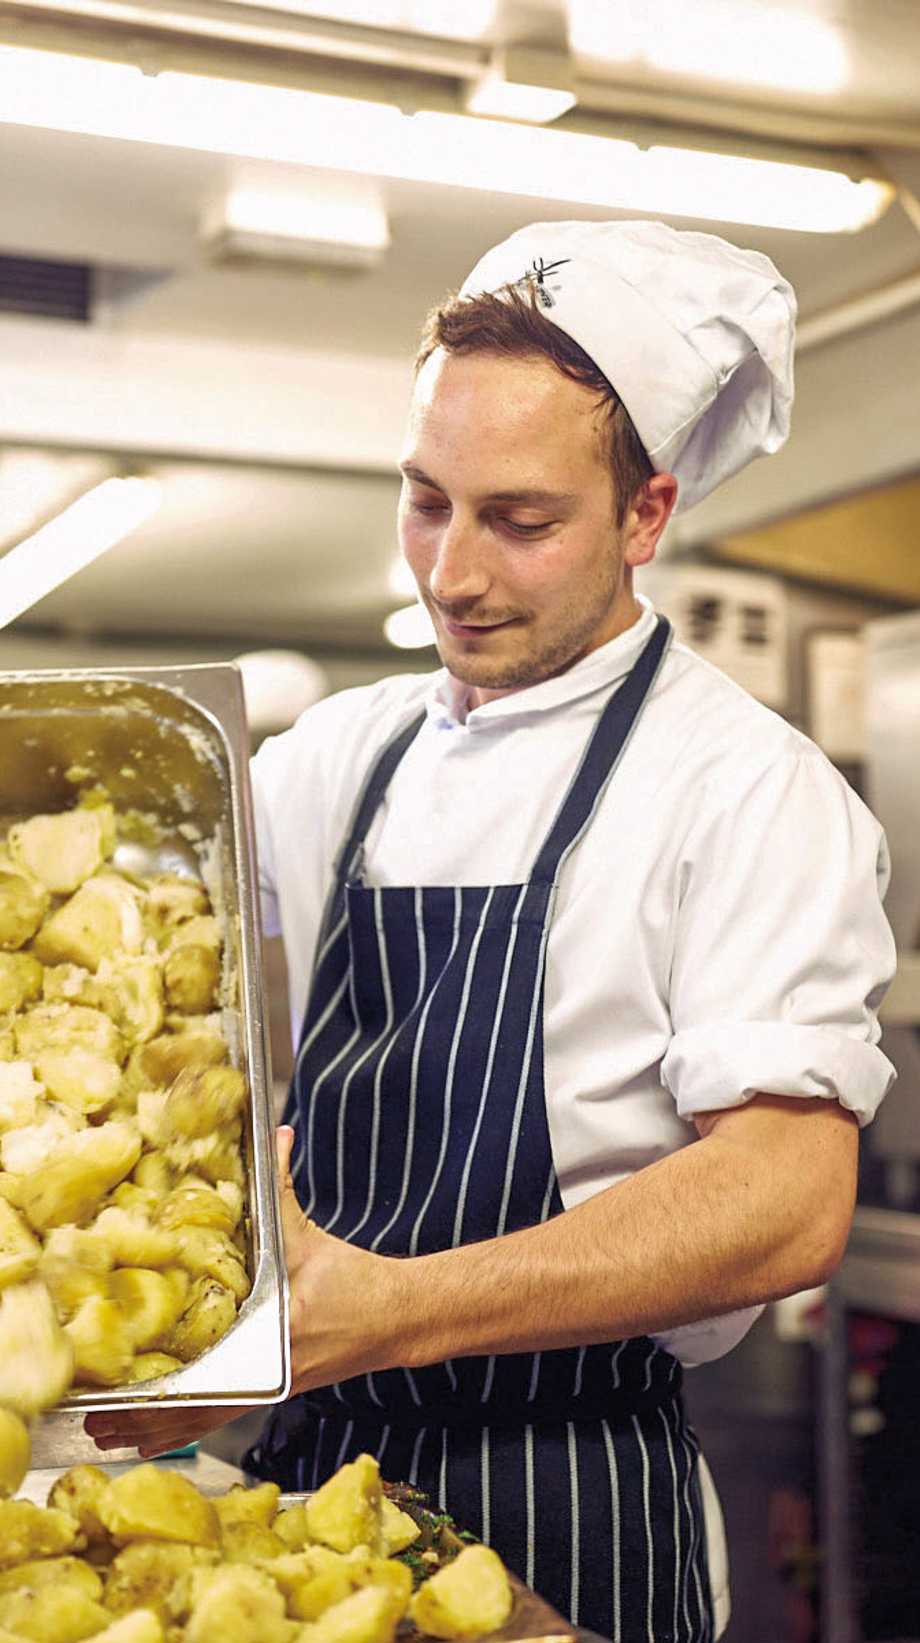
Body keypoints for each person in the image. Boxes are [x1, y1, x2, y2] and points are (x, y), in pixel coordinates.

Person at [89, 220, 896, 1641]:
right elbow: (151, 1030)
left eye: (520, 520)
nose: (451, 572)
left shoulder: (746, 792)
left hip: (573, 1491)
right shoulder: (330, 760)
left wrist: (381, 1309)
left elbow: (784, 1195)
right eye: (423, 501)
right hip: (292, 1477)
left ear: (645, 515)